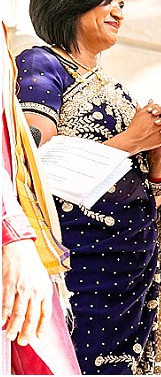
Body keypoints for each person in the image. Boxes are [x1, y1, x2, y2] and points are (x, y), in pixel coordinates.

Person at [14, 0, 161, 375]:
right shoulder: (41, 65)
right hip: (83, 270)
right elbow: (31, 165)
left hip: (133, 276)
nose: (119, 12)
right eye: (108, 0)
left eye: (122, 2)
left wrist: (157, 159)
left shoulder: (113, 87)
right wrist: (130, 141)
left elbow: (137, 182)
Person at [2, 20, 80, 375]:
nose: (119, 12)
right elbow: (31, 146)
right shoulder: (41, 64)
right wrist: (15, 238)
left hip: (128, 260)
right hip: (59, 249)